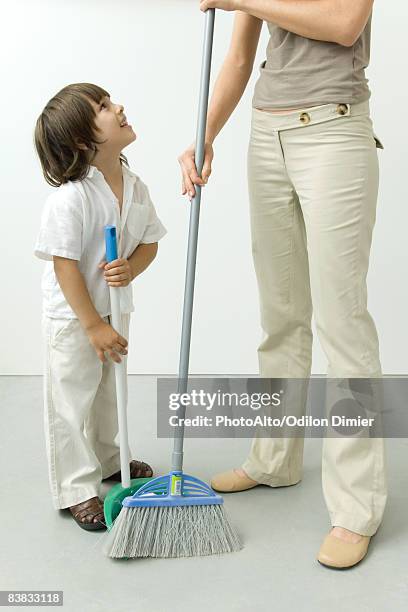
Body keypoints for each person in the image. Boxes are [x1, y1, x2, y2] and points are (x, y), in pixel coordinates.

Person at [178, 0, 386, 568]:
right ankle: (274, 458)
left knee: (342, 323)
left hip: (334, 132)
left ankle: (356, 508)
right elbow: (241, 56)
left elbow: (346, 24)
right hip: (265, 136)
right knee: (281, 314)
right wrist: (207, 134)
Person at [33, 83, 167, 530]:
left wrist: (130, 267)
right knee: (73, 400)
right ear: (79, 140)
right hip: (75, 319)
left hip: (115, 309)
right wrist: (91, 325)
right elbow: (64, 264)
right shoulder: (70, 198)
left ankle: (111, 460)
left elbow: (149, 244)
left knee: (111, 392)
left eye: (111, 101)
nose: (119, 107)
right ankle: (77, 487)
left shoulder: (134, 185)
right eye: (104, 107)